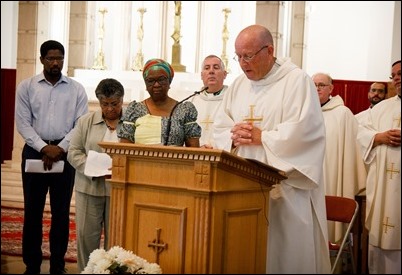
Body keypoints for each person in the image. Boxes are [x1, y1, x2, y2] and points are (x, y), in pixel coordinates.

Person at [213, 24, 331, 273]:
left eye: (248, 55)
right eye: (238, 57)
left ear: (270, 50)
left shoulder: (297, 81)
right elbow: (220, 127)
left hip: (285, 193)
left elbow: (307, 133)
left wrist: (263, 137)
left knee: (283, 259)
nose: (243, 63)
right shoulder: (238, 85)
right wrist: (232, 138)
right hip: (241, 191)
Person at [15, 40, 88, 274]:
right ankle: (32, 265)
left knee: (61, 212)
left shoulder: (77, 89)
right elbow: (23, 123)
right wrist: (44, 148)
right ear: (41, 60)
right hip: (35, 152)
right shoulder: (26, 87)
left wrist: (61, 148)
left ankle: (58, 264)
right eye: (50, 58)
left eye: (59, 58)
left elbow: (81, 124)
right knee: (32, 212)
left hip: (64, 156)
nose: (55, 62)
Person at [67, 78, 125, 272]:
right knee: (86, 238)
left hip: (118, 191)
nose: (109, 109)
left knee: (116, 240)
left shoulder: (131, 123)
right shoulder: (86, 121)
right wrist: (92, 167)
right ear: (99, 102)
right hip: (89, 188)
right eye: (105, 104)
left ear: (122, 100)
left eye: (114, 104)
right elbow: (73, 152)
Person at [357, 60, 401, 274]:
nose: (397, 78)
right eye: (394, 75)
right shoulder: (381, 108)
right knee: (380, 233)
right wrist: (378, 136)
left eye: (401, 73)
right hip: (383, 185)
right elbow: (360, 133)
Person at [312, 72, 366, 244]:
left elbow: (351, 153)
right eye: (313, 85)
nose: (317, 88)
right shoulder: (305, 112)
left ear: (331, 89)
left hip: (332, 178)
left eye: (321, 85)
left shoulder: (343, 114)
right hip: (310, 177)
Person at [118, 58, 201, 147]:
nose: (156, 85)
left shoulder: (184, 110)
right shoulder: (134, 110)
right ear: (145, 84)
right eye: (151, 81)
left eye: (161, 79)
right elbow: (124, 150)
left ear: (170, 81)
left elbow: (193, 151)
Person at [190, 55, 228, 148]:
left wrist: (213, 146)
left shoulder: (231, 99)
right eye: (207, 68)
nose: (211, 71)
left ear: (224, 74)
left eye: (216, 67)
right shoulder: (193, 101)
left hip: (222, 155)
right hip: (195, 154)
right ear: (202, 75)